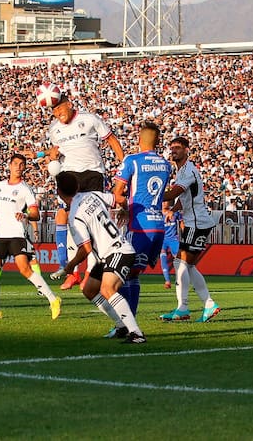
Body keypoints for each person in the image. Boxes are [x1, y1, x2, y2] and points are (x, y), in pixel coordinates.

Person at [44, 88, 124, 290]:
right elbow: (55, 154)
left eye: (59, 107)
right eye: (54, 110)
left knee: (94, 219)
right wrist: (52, 156)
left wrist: (124, 164)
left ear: (69, 104)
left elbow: (112, 140)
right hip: (69, 175)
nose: (57, 112)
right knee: (68, 218)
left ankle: (92, 269)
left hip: (93, 172)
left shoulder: (90, 119)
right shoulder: (54, 130)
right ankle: (72, 271)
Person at [52, 171, 146, 343]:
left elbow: (85, 249)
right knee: (89, 290)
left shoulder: (75, 216)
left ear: (59, 193)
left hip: (118, 251)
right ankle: (121, 326)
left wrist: (70, 266)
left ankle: (136, 333)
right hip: (107, 255)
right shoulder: (92, 194)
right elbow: (120, 199)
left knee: (107, 289)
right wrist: (125, 210)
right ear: (78, 186)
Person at [0, 153, 61, 320]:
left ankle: (53, 299)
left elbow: (35, 214)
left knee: (25, 269)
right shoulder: (0, 186)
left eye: (22, 164)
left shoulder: (25, 190)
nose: (18, 166)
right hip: (0, 235)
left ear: (24, 168)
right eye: (15, 163)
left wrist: (25, 216)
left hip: (16, 235)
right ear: (10, 166)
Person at [111, 121, 171, 316]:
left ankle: (125, 322)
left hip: (138, 225)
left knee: (120, 272)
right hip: (158, 226)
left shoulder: (132, 161)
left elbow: (117, 194)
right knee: (134, 274)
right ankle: (131, 321)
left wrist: (124, 208)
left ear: (139, 140)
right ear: (158, 141)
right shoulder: (166, 164)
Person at [159, 137, 221, 323]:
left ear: (187, 150)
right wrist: (173, 210)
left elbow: (173, 193)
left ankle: (184, 308)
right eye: (172, 148)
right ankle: (206, 305)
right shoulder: (182, 171)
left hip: (196, 223)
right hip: (196, 222)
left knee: (181, 264)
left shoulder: (187, 172)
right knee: (187, 265)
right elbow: (182, 198)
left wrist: (149, 191)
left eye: (178, 148)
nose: (174, 151)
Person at [159, 200, 181, 288]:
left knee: (179, 260)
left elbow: (182, 222)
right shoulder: (157, 214)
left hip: (173, 239)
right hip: (162, 240)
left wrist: (183, 233)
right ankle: (167, 281)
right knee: (163, 258)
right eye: (163, 202)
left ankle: (179, 279)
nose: (164, 203)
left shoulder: (174, 213)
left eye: (166, 201)